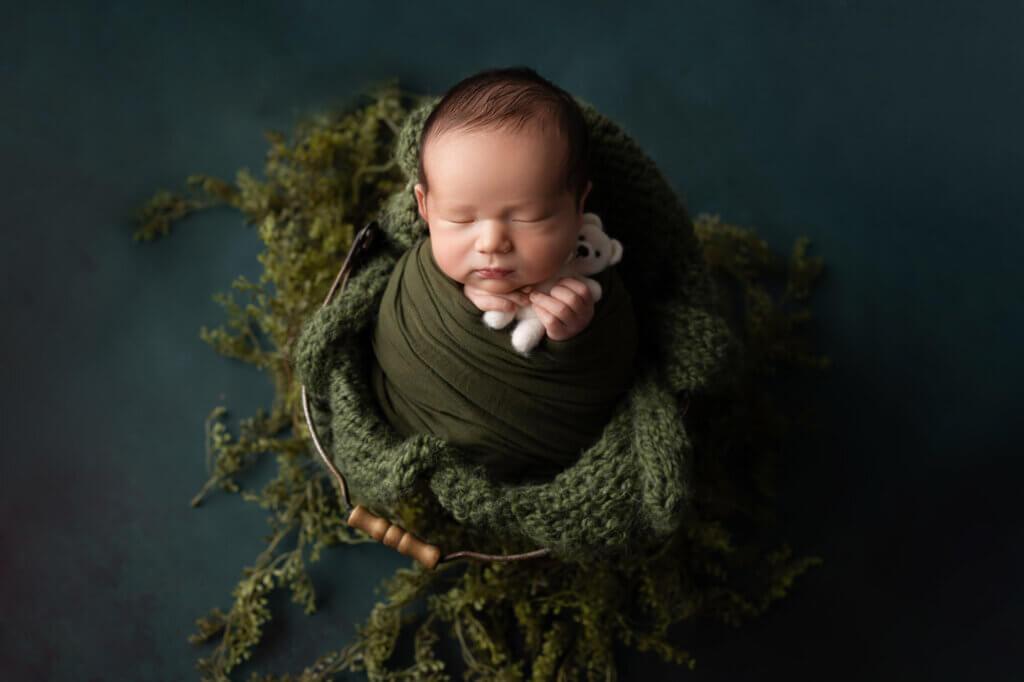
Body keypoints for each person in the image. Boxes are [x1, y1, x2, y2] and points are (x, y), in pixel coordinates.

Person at [370, 67, 638, 483]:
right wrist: (452, 301)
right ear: (424, 207)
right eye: (460, 218)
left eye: (529, 218)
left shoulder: (594, 281)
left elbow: (619, 375)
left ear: (577, 205)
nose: (492, 242)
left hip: (533, 465)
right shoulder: (421, 273)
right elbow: (391, 325)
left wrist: (578, 339)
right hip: (405, 425)